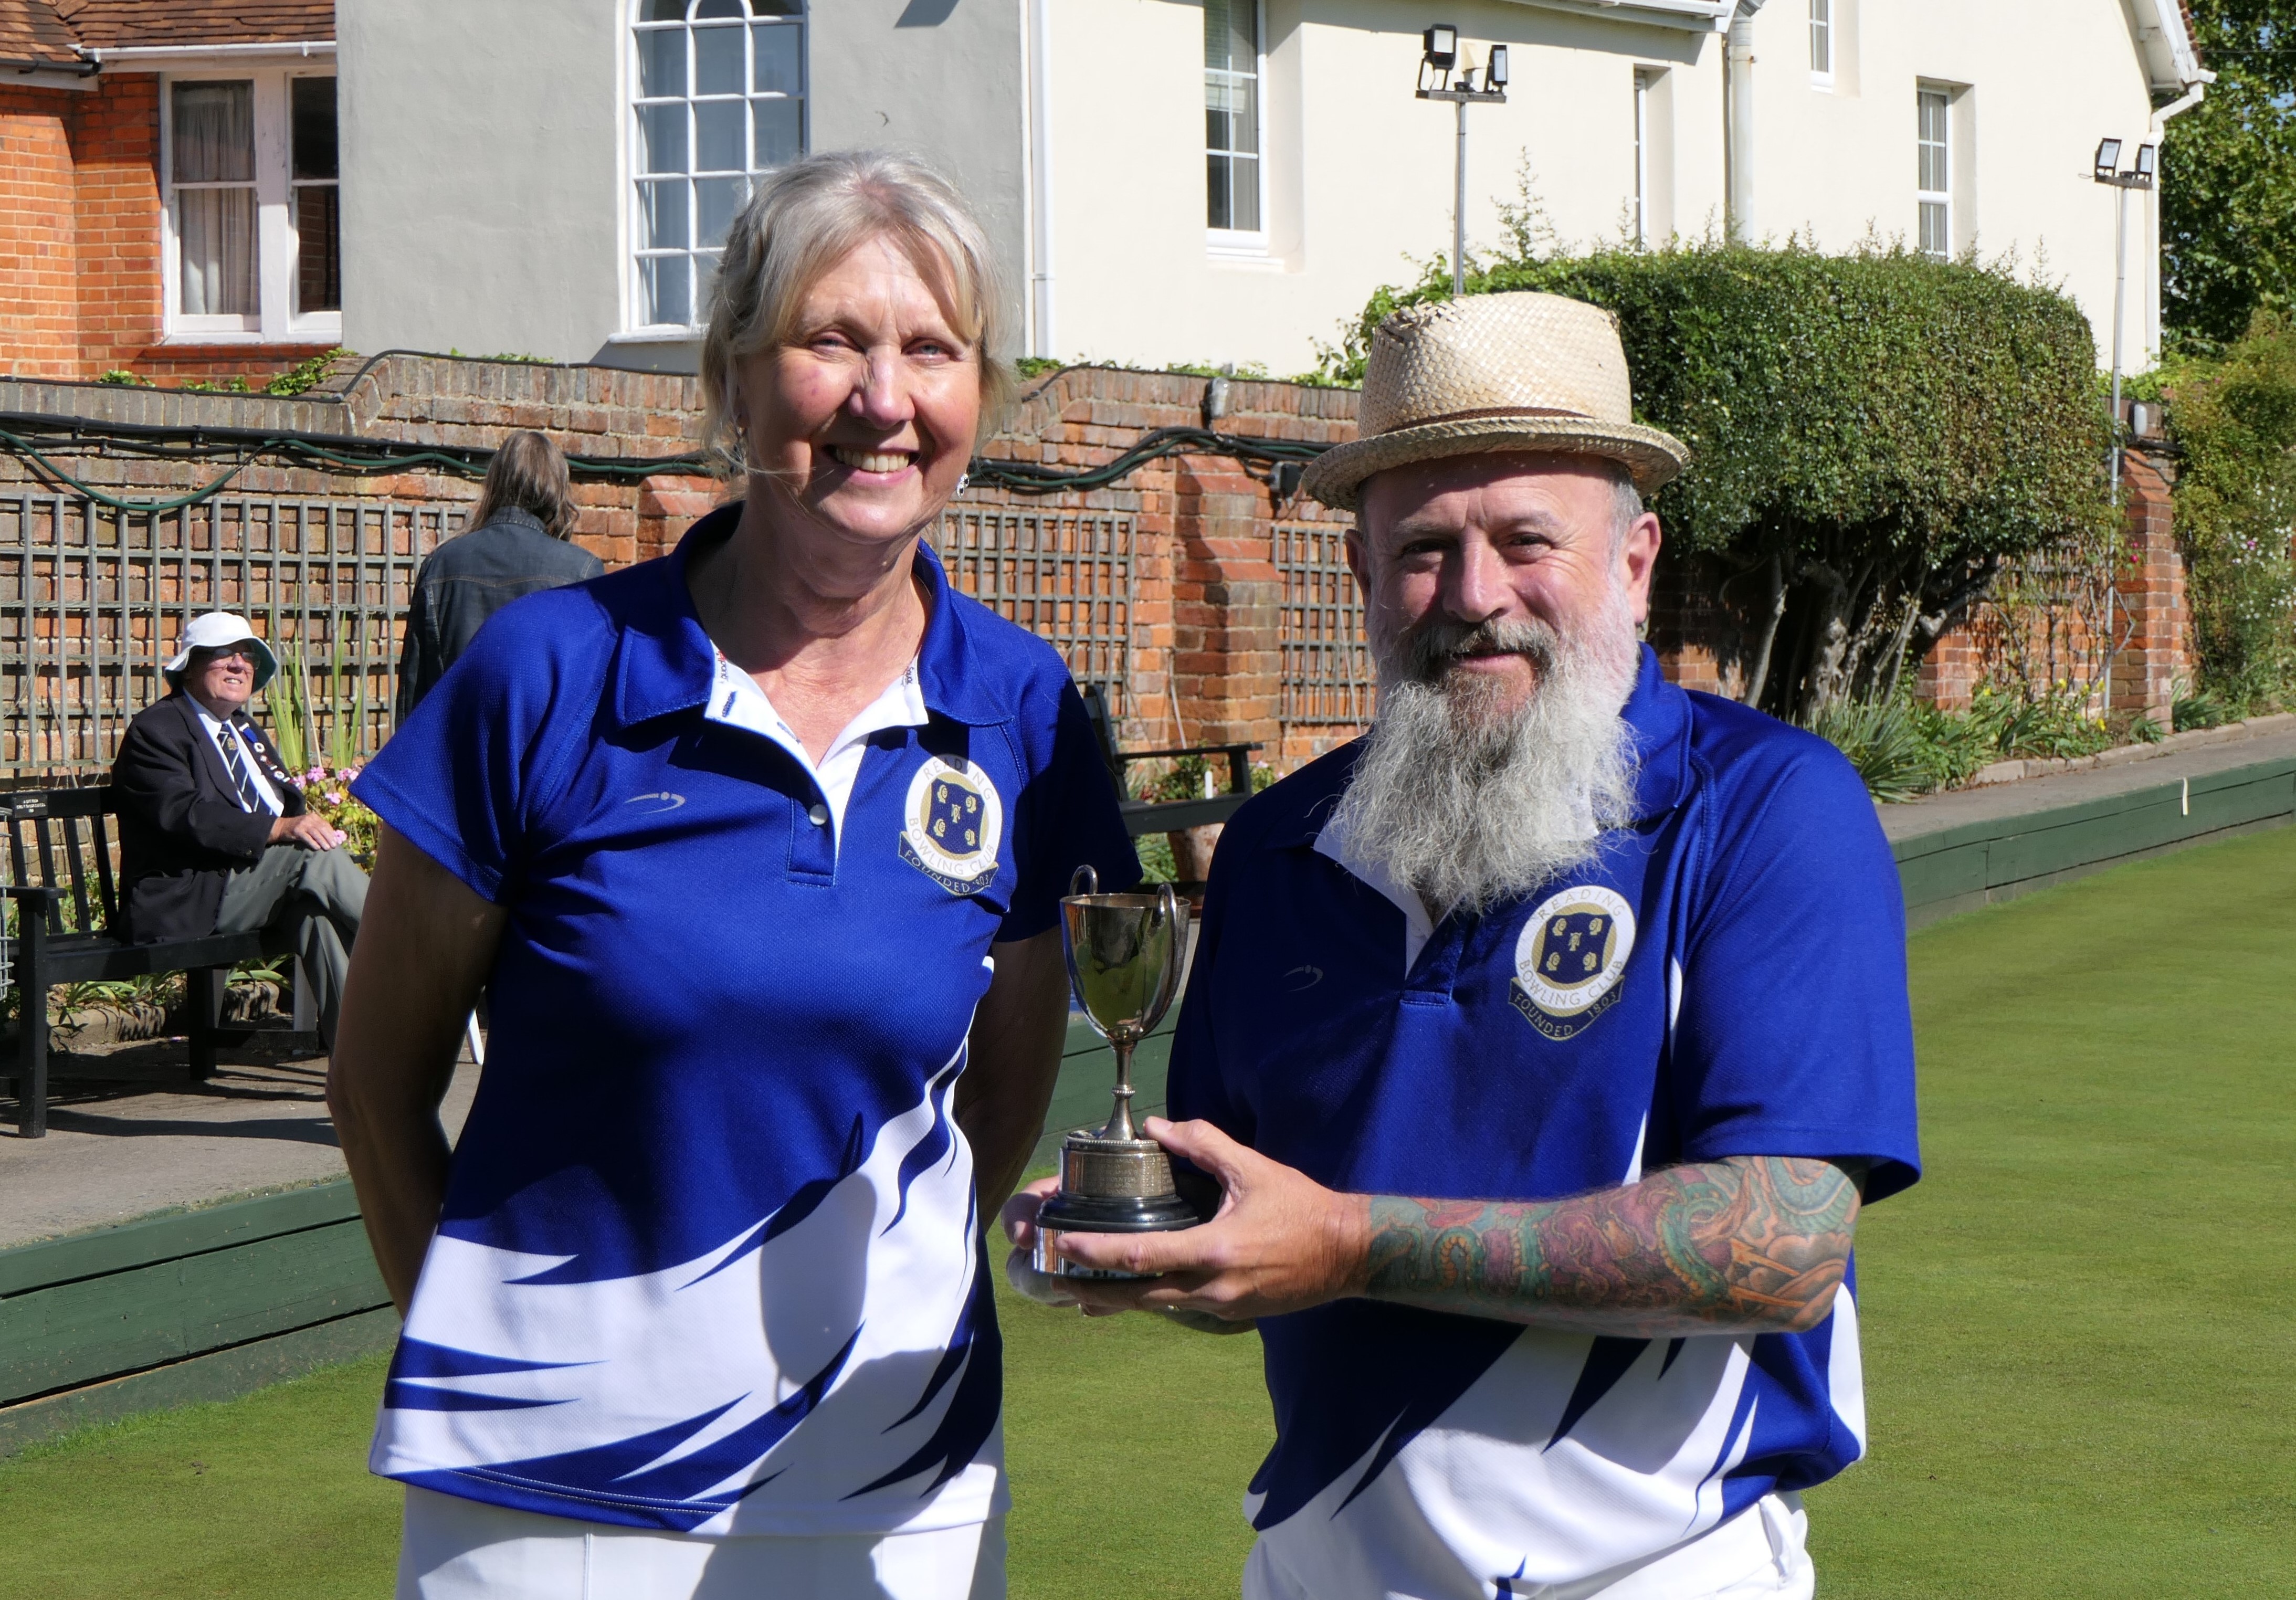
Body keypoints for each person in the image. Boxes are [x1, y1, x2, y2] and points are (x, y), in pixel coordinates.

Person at [1006, 293, 1922, 1600]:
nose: (1475, 596)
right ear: (1361, 576)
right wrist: (1135, 1237)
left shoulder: (1766, 807)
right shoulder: (1274, 849)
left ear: (1635, 561)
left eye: (1525, 539)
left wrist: (1350, 1242)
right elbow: (1262, 1232)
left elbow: (1779, 1244)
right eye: (1425, 548)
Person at [329, 150, 1137, 1600]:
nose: (882, 399)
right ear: (733, 376)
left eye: (931, 350)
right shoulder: (545, 674)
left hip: (893, 1494)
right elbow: (377, 1080)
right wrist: (506, 1365)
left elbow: (1001, 1099)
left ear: (979, 394)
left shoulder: (1024, 711)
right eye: (831, 340)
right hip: (543, 1503)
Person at [111, 612, 367, 1046]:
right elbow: (185, 814)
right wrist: (281, 829)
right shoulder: (157, 730)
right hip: (192, 891)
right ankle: (418, 942)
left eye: (247, 656)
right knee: (311, 857)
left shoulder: (244, 729)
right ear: (189, 666)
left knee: (315, 915)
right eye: (223, 654)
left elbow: (285, 801)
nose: (239, 664)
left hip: (252, 882)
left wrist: (294, 824)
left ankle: (361, 1058)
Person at [393, 430, 603, 718]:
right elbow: (591, 695)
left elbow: (414, 698)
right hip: (540, 744)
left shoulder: (442, 564)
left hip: (459, 741)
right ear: (557, 490)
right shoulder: (581, 570)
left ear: (495, 483)